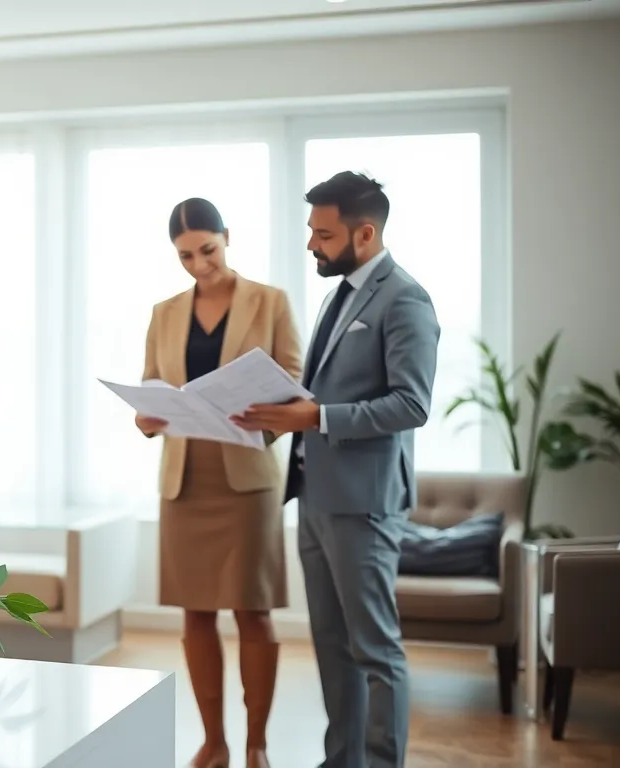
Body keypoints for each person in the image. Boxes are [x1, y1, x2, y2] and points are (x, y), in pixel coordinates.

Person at [232, 172, 440, 768]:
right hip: (317, 498)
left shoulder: (406, 299)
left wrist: (316, 415)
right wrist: (271, 413)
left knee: (376, 651)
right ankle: (341, 760)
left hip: (365, 503)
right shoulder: (338, 295)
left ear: (366, 233)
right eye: (310, 231)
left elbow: (412, 404)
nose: (311, 245)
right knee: (331, 647)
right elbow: (320, 392)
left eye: (322, 234)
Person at [136, 198, 302, 768]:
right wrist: (146, 416)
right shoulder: (164, 312)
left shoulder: (270, 301)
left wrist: (263, 415)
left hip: (247, 477)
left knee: (253, 611)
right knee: (194, 612)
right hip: (186, 479)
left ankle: (256, 743)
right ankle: (215, 741)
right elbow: (150, 386)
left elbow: (295, 382)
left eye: (208, 250)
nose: (199, 265)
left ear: (227, 237)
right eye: (186, 256)